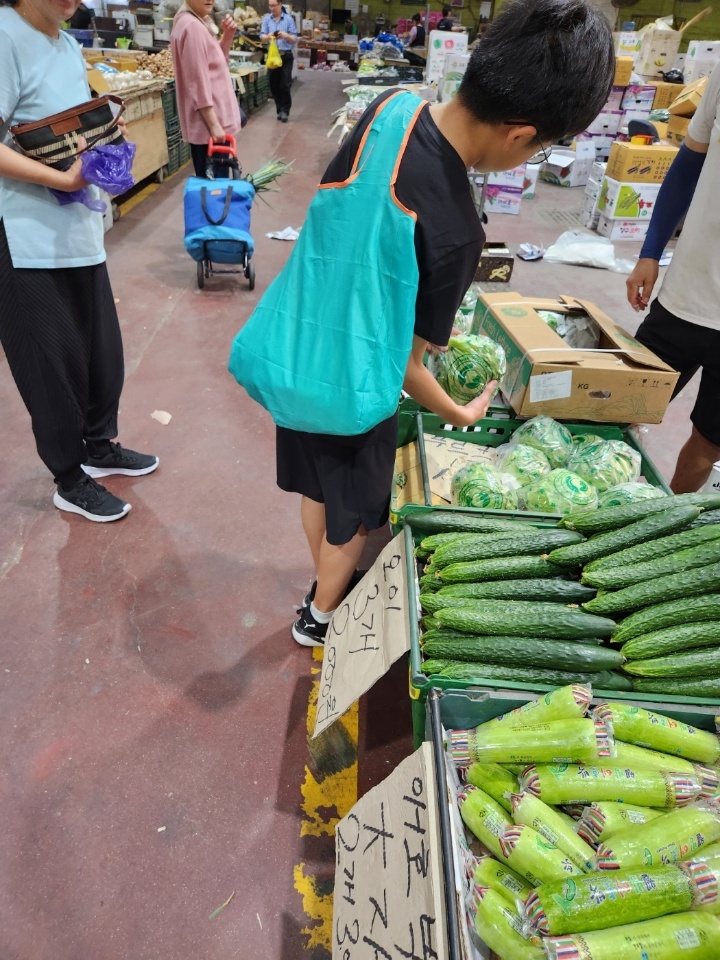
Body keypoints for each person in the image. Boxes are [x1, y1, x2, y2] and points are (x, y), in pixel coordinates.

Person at [229, 0, 614, 647]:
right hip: (352, 397)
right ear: (521, 135)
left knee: (316, 492)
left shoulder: (391, 108)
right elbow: (408, 372)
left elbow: (349, 233)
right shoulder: (458, 231)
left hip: (297, 356)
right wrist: (461, 415)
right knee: (351, 527)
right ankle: (319, 616)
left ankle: (316, 583)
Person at [0, 0, 158, 523]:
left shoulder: (66, 44)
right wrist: (64, 179)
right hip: (23, 232)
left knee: (99, 353)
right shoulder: (4, 35)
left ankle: (98, 446)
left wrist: (107, 146)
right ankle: (69, 478)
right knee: (51, 363)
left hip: (76, 229)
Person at [626, 61, 720, 494]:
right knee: (623, 406)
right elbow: (688, 164)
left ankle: (666, 519)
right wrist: (650, 251)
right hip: (685, 295)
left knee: (708, 446)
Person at [171, 0, 242, 178]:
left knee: (213, 191)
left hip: (212, 127)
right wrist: (214, 125)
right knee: (214, 194)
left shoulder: (198, 21)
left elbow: (216, 64)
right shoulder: (192, 26)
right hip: (210, 130)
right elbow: (197, 82)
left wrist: (227, 36)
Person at [260, 0, 297, 123]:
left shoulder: (288, 20)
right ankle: (279, 109)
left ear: (280, 5)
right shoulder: (266, 19)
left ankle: (285, 111)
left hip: (285, 56)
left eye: (274, 5)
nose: (272, 8)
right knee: (274, 84)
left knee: (285, 84)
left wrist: (285, 35)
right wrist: (269, 35)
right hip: (272, 57)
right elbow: (262, 38)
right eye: (270, 6)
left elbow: (294, 39)